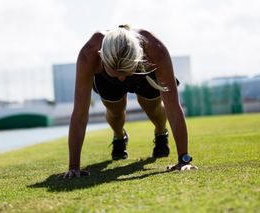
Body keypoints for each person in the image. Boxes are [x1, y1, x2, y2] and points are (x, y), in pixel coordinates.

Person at [64, 25, 197, 178]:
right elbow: (80, 114)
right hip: (106, 79)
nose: (122, 79)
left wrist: (184, 159)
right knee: (115, 112)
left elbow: (173, 108)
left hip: (143, 71)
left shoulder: (155, 50)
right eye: (117, 73)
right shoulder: (89, 53)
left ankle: (161, 132)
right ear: (101, 56)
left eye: (125, 73)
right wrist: (73, 166)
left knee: (153, 108)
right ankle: (119, 136)